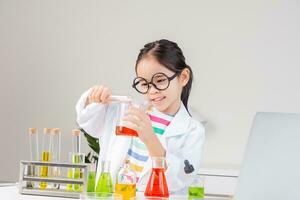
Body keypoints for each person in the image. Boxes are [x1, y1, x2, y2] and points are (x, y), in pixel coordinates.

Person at [76, 39, 205, 194]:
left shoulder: (193, 131)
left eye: (160, 80)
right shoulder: (127, 111)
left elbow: (180, 179)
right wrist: (94, 97)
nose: (152, 91)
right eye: (144, 84)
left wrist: (150, 138)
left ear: (183, 77)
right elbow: (89, 123)